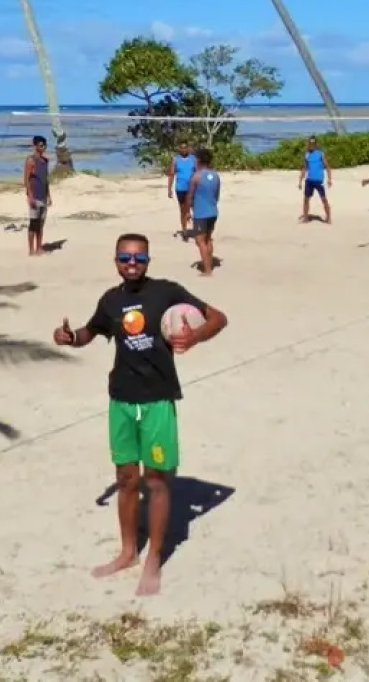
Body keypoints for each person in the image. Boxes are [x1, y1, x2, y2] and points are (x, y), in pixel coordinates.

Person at [53, 233, 228, 596]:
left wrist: (194, 337)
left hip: (157, 400)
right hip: (121, 399)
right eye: (125, 258)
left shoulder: (166, 292)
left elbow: (218, 318)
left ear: (148, 261)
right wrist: (70, 338)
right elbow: (90, 332)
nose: (132, 264)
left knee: (157, 481)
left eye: (139, 258)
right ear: (115, 261)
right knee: (126, 479)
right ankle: (129, 552)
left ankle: (153, 560)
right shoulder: (111, 300)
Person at [186, 148, 221, 276]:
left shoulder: (196, 176)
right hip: (213, 212)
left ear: (199, 160)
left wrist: (188, 212)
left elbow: (189, 196)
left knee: (200, 241)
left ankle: (207, 270)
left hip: (201, 213)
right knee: (208, 239)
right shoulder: (216, 175)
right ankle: (209, 264)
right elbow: (217, 195)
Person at [23, 135, 51, 256]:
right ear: (35, 146)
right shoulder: (30, 160)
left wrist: (49, 196)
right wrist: (30, 196)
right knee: (33, 224)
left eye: (44, 145)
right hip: (35, 197)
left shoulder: (45, 161)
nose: (43, 147)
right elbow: (26, 180)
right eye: (41, 145)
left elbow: (46, 180)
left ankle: (39, 248)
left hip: (43, 197)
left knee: (41, 225)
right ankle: (31, 250)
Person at [298, 135, 333, 224]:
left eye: (313, 143)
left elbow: (327, 167)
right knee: (306, 199)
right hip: (309, 180)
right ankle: (305, 218)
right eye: (310, 143)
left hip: (318, 180)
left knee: (324, 199)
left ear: (316, 144)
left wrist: (329, 179)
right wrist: (300, 180)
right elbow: (304, 168)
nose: (311, 145)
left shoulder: (320, 154)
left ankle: (328, 218)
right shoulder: (307, 155)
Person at [166, 141, 197, 239]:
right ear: (179, 149)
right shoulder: (176, 160)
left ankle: (198, 230)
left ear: (188, 148)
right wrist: (169, 189)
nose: (184, 150)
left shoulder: (193, 159)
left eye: (185, 147)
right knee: (183, 210)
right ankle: (184, 231)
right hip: (180, 188)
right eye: (182, 148)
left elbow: (198, 173)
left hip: (192, 188)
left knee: (195, 208)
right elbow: (171, 174)